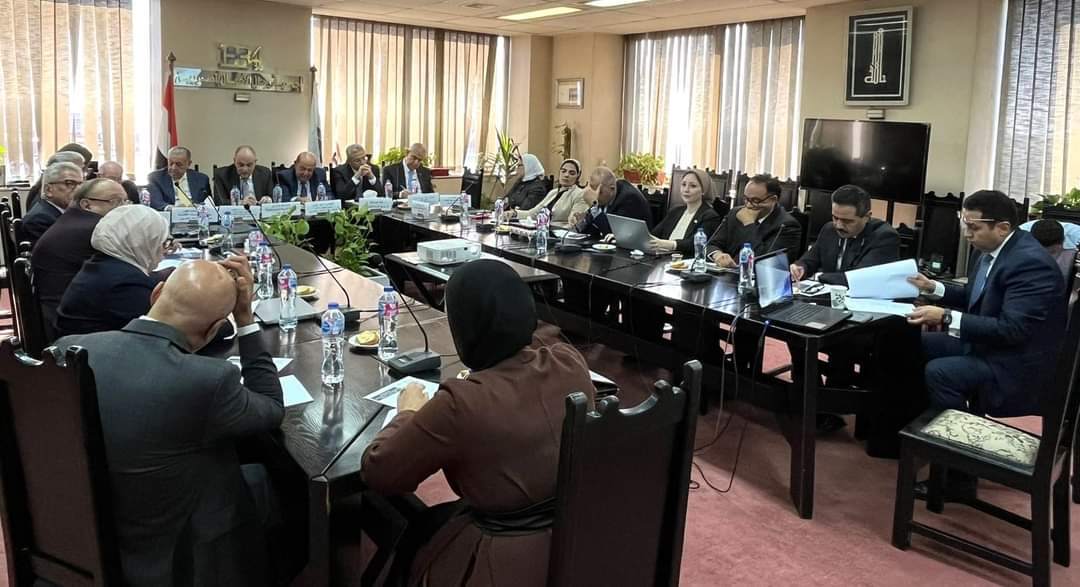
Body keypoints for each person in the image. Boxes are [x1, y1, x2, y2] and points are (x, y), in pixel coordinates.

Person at [362, 260, 596, 587]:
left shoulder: (460, 402)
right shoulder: (570, 362)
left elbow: (380, 472)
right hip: (581, 542)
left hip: (500, 561)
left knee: (398, 518)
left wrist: (408, 412)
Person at [56, 257, 283, 586]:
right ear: (214, 330)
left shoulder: (67, 350)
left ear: (157, 292)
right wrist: (245, 320)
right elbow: (272, 407)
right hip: (176, 559)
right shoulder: (208, 380)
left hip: (80, 542)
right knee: (271, 477)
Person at [55, 205, 172, 337]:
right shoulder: (125, 286)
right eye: (163, 243)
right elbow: (163, 331)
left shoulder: (103, 264)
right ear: (145, 242)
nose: (165, 250)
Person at [32, 178, 127, 332]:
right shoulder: (96, 229)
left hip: (57, 309)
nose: (124, 208)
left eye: (125, 202)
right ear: (87, 205)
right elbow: (127, 272)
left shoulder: (74, 220)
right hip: (71, 321)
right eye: (115, 202)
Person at [789, 184, 899, 285]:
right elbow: (810, 259)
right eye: (835, 217)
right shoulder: (829, 229)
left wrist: (819, 276)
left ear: (867, 217)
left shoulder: (885, 237)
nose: (838, 225)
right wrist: (800, 267)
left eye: (847, 221)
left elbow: (859, 279)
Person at [707, 173, 801, 266]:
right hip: (726, 272)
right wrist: (717, 255)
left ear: (773, 199)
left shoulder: (787, 226)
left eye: (755, 201)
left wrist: (749, 225)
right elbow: (711, 244)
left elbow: (765, 262)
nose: (748, 205)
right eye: (746, 199)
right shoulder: (735, 213)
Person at [646, 168, 722, 256]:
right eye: (683, 184)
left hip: (685, 260)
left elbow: (695, 245)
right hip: (662, 257)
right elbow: (654, 234)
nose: (686, 190)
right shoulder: (675, 211)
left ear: (703, 190)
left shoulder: (710, 216)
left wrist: (669, 244)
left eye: (693, 186)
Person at [568, 166, 652, 238]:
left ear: (612, 188)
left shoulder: (629, 198)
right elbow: (592, 229)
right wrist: (581, 223)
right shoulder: (606, 196)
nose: (595, 195)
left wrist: (594, 206)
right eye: (592, 189)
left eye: (600, 191)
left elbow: (613, 233)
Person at [22, 161, 83, 245]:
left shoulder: (60, 211)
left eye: (81, 184)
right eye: (69, 183)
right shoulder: (39, 219)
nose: (78, 190)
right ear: (48, 190)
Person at [516, 158, 592, 224]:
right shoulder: (553, 192)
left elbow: (574, 224)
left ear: (578, 176)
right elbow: (533, 214)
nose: (566, 175)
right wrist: (514, 213)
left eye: (571, 173)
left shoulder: (580, 194)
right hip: (542, 230)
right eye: (563, 171)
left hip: (561, 234)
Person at [147, 146, 212, 210]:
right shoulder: (155, 178)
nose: (173, 167)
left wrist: (199, 207)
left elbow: (208, 203)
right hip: (169, 214)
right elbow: (156, 202)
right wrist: (174, 209)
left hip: (195, 214)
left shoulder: (202, 179)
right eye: (171, 163)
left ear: (189, 164)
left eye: (178, 164)